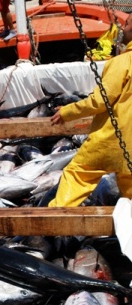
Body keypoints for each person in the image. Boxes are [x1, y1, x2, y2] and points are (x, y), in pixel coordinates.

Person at [48, 14, 132, 208]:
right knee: (129, 185)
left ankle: (55, 217)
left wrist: (68, 112)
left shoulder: (121, 62)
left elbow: (100, 101)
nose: (121, 28)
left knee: (77, 173)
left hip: (112, 140)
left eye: (126, 24)